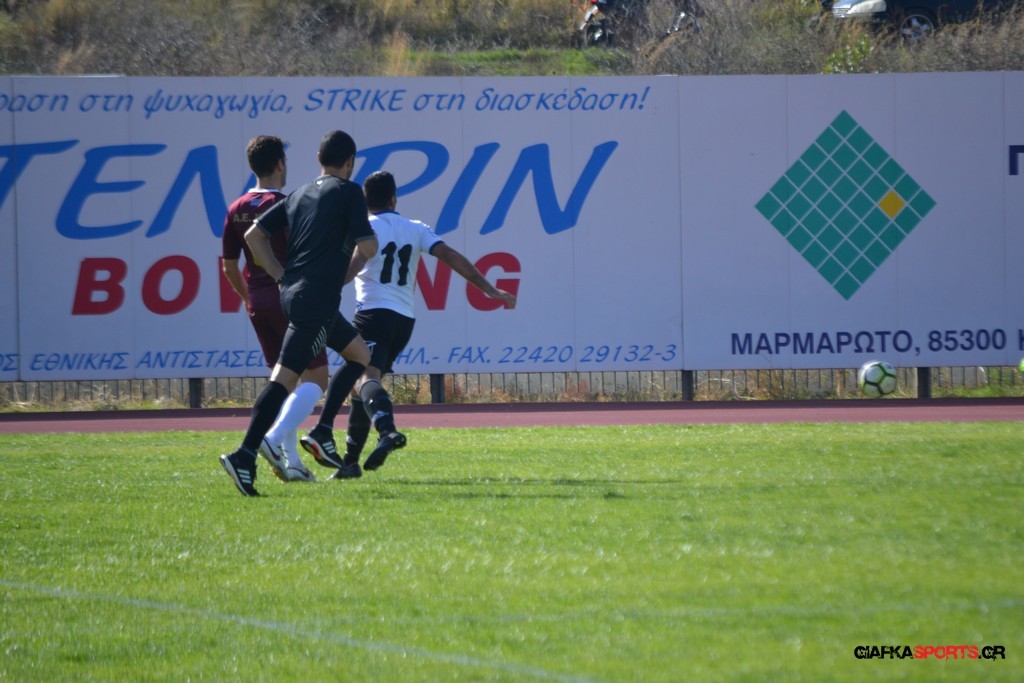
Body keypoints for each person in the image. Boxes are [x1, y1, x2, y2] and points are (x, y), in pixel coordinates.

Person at [219, 130, 383, 497]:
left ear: (319, 159)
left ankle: (321, 431)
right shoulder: (349, 192)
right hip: (316, 299)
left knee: (360, 355)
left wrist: (280, 276)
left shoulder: (299, 193)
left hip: (296, 295)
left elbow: (254, 237)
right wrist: (350, 268)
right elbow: (369, 246)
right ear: (350, 162)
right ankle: (248, 452)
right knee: (285, 379)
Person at [330, 170, 517, 479]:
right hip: (404, 319)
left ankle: (387, 430)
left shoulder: (366, 228)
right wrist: (489, 289)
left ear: (365, 201)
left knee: (364, 377)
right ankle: (350, 464)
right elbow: (450, 256)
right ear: (394, 199)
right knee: (361, 388)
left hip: (373, 314)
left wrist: (325, 287)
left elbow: (354, 267)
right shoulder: (416, 228)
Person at [221, 135, 325, 484]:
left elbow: (229, 266)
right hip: (288, 299)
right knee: (317, 377)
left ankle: (291, 462)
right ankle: (272, 439)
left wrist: (247, 297)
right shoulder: (288, 204)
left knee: (285, 383)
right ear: (280, 164)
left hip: (258, 302)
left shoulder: (236, 208)